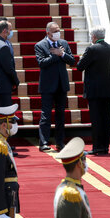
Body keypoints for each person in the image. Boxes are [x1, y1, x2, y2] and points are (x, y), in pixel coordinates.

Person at [35, 22, 75, 152]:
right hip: (47, 86)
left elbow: (72, 60)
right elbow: (42, 63)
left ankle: (60, 142)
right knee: (46, 115)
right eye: (55, 31)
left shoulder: (63, 43)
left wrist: (62, 54)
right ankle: (44, 142)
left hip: (61, 85)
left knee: (60, 115)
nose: (58, 32)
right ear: (48, 33)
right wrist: (55, 55)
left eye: (59, 30)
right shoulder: (40, 45)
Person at [77, 26, 110, 155]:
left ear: (94, 37)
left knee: (96, 120)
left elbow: (80, 67)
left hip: (95, 90)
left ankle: (97, 147)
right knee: (106, 119)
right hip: (108, 89)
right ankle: (105, 146)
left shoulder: (92, 49)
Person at [54, 137, 93, 218]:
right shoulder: (70, 195)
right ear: (78, 164)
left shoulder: (69, 187)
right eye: (84, 159)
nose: (86, 163)